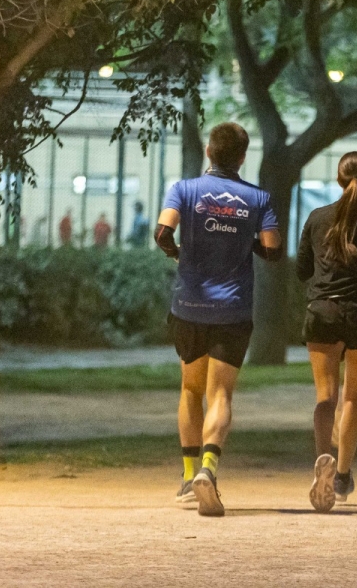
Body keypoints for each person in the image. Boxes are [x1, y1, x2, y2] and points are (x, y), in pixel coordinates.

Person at [155, 122, 281, 517]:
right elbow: (273, 250)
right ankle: (209, 468)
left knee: (191, 390)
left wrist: (179, 253)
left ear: (209, 151)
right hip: (234, 308)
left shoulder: (184, 189)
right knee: (221, 393)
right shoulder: (258, 198)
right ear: (243, 157)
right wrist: (245, 242)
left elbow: (162, 233)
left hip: (189, 305)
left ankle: (188, 475)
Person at [296, 152, 357, 512]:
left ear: (339, 179)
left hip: (322, 310)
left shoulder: (316, 217)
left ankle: (323, 457)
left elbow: (302, 269)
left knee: (326, 397)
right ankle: (341, 474)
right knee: (353, 396)